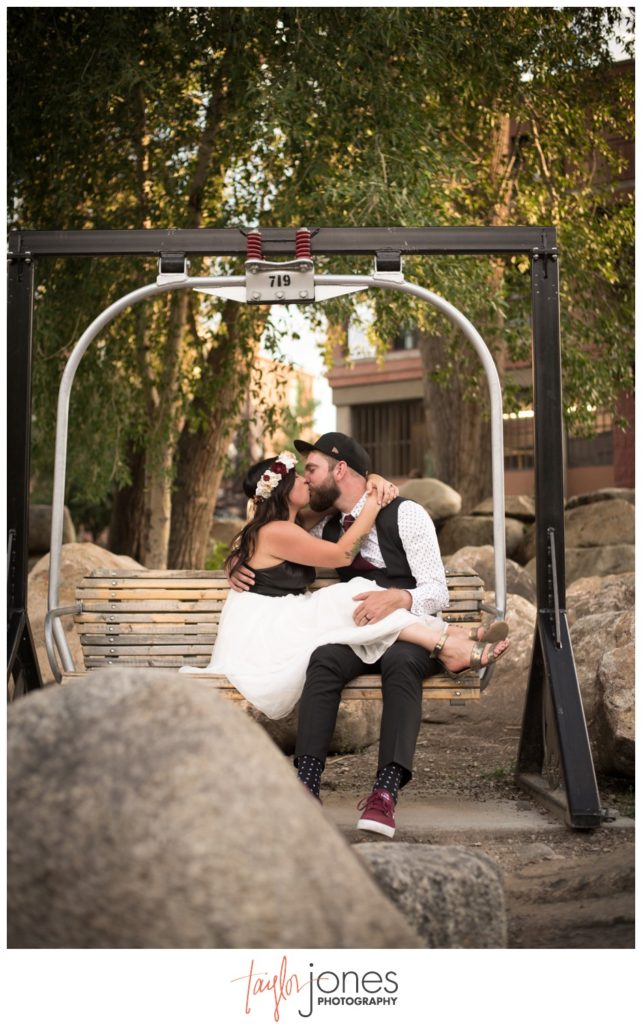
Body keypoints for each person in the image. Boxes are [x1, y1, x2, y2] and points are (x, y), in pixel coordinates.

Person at [188, 438, 509, 837]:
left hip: (404, 633)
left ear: (339, 471)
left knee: (401, 662)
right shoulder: (324, 525)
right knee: (322, 658)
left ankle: (385, 792)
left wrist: (399, 597)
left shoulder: (407, 514)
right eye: (301, 472)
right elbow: (269, 536)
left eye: (312, 469)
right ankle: (306, 783)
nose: (307, 477)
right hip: (355, 631)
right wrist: (235, 561)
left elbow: (437, 591)